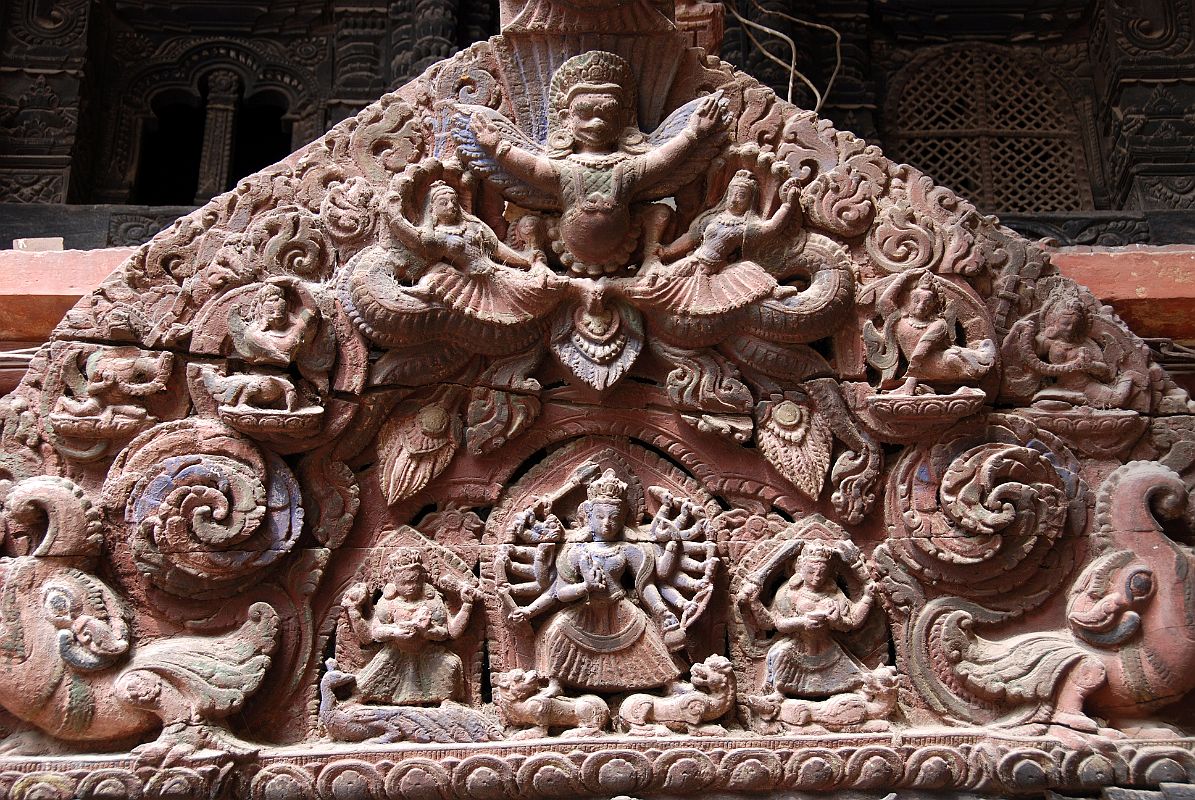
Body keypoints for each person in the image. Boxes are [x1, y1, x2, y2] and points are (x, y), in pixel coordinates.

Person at [508, 469, 682, 694]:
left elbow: (645, 585)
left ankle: (671, 682)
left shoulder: (628, 550)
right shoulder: (576, 551)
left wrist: (660, 610)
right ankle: (555, 683)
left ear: (623, 519)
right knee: (554, 632)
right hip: (585, 608)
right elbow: (559, 593)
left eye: (614, 518)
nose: (607, 523)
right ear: (588, 517)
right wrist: (585, 587)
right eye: (600, 517)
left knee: (649, 635)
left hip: (620, 608)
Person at [738, 542, 877, 698]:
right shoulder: (788, 593)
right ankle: (777, 694)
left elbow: (852, 623)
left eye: (822, 572)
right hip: (797, 646)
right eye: (811, 571)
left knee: (855, 681)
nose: (817, 577)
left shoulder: (834, 595)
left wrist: (859, 605)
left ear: (830, 571)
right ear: (799, 567)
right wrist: (801, 622)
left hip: (827, 647)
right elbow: (775, 624)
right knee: (778, 654)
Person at [342, 548, 477, 706]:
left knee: (451, 665)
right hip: (395, 654)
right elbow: (376, 632)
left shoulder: (432, 602)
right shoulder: (388, 604)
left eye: (415, 582)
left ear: (423, 578)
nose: (411, 587)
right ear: (393, 581)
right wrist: (395, 632)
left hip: (427, 653)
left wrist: (428, 631)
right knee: (366, 684)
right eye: (405, 583)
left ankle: (445, 703)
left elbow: (447, 633)